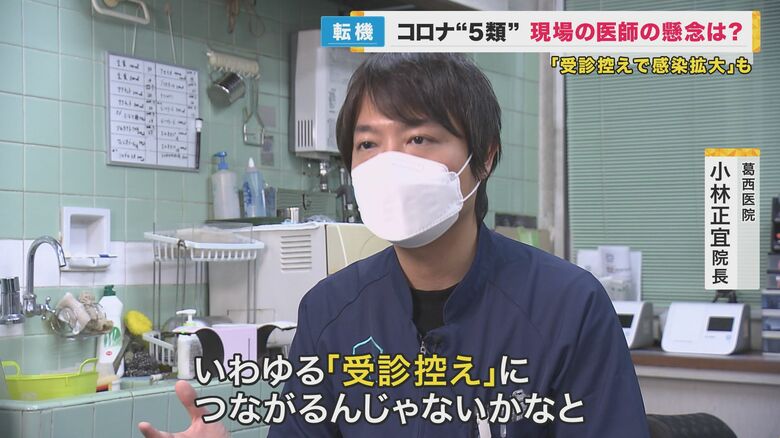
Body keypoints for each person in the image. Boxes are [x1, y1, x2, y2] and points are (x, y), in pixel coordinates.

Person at [139, 53, 649, 438]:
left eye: (418, 139)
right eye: (368, 144)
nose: (389, 164)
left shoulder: (568, 307)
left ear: (485, 156)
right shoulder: (330, 312)